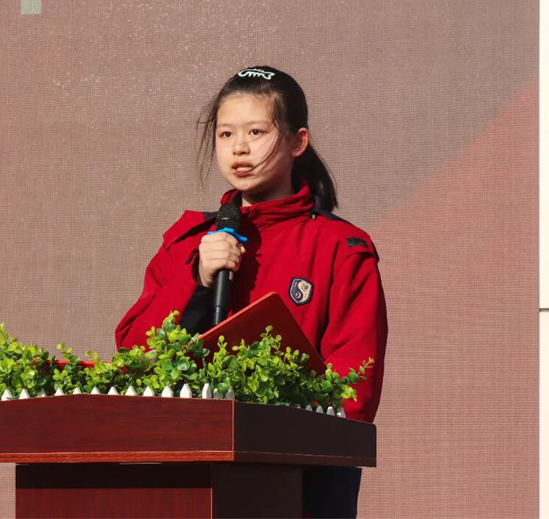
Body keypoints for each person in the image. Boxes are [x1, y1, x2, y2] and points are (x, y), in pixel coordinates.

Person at [115, 66, 388, 518]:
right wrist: (197, 279)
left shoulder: (341, 248)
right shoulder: (188, 243)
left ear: (298, 141)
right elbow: (133, 353)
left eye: (256, 132)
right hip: (193, 482)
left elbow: (353, 392)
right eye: (226, 134)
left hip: (302, 487)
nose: (239, 148)